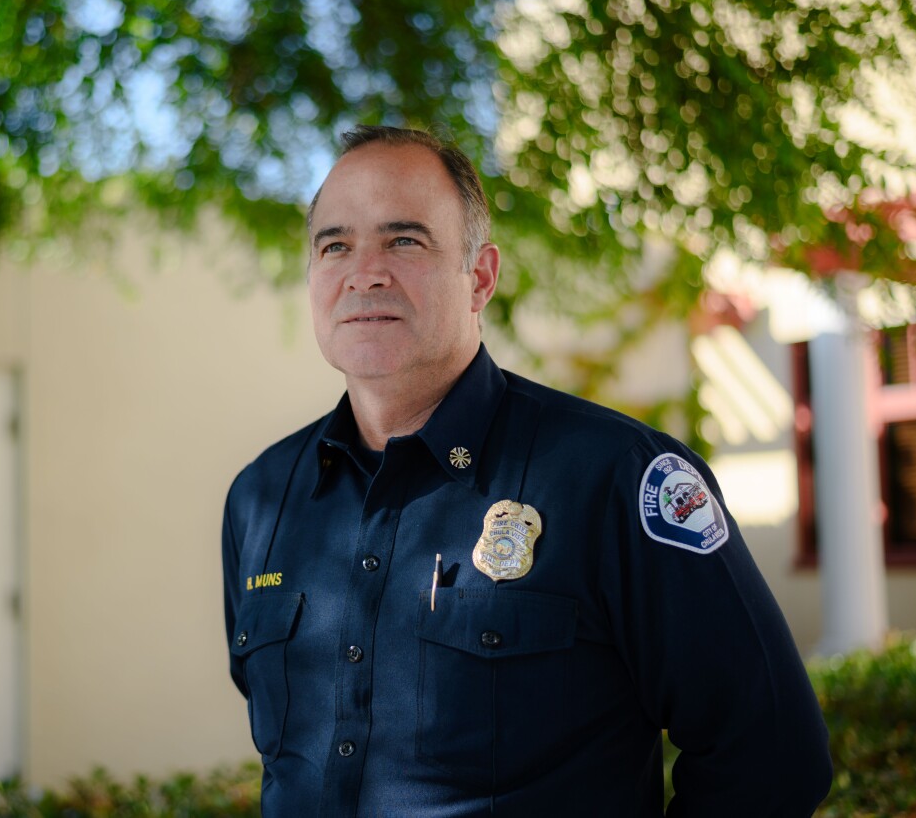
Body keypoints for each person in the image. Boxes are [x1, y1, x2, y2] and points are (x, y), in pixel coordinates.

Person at [221, 125, 832, 817]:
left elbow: (772, 758)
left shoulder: (615, 478)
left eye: (404, 240)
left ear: (479, 277)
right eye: (335, 245)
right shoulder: (260, 500)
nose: (365, 271)